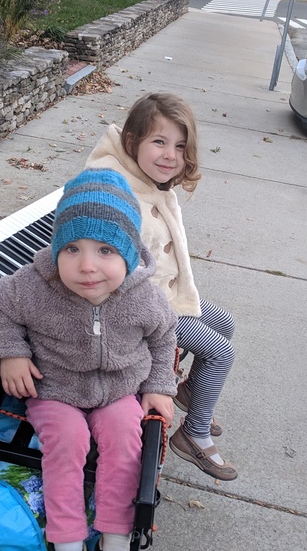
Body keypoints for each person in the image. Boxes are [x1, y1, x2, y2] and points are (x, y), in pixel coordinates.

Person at [0, 168, 177, 551]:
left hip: (120, 389)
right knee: (65, 443)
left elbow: (165, 337)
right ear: (56, 249)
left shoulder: (143, 297)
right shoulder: (35, 285)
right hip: (57, 390)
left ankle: (116, 545)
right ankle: (68, 550)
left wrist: (159, 385)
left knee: (126, 440)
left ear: (128, 252)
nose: (87, 266)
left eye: (105, 250)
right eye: (72, 249)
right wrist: (10, 354)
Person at [86, 93, 237, 482]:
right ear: (132, 140)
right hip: (134, 309)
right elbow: (113, 277)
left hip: (159, 295)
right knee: (221, 353)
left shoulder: (147, 179)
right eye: (159, 142)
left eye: (181, 146)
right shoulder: (114, 191)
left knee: (224, 323)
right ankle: (194, 434)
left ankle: (189, 393)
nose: (171, 155)